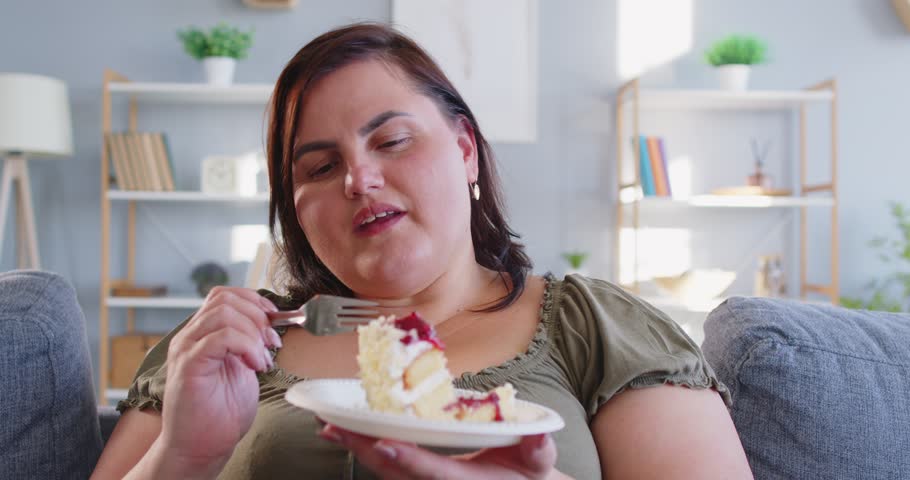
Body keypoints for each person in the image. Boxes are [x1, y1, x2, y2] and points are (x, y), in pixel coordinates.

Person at [91, 22, 753, 479]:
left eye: (392, 141)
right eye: (319, 167)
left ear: (465, 148)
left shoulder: (597, 327)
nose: (358, 179)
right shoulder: (225, 345)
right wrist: (182, 456)